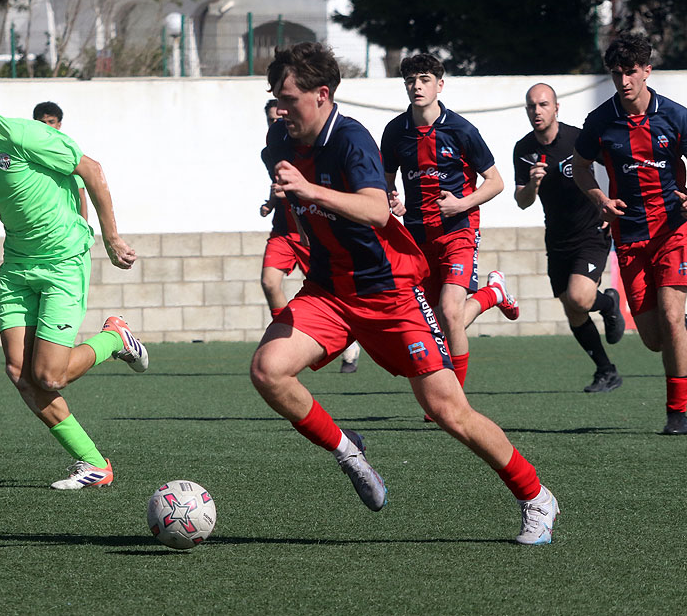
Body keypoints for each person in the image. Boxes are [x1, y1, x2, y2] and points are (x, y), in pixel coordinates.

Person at [249, 42, 559, 545]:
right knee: (267, 370)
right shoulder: (278, 142)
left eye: (289, 98)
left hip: (388, 291)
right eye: (276, 99)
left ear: (322, 95)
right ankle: (349, 451)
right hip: (328, 291)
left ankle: (535, 496)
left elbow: (375, 210)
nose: (280, 109)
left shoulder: (351, 139)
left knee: (448, 412)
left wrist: (310, 191)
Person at [0, 56, 148, 488]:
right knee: (18, 373)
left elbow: (91, 169)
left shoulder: (24, 134)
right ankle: (96, 466)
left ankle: (113, 338)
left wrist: (111, 238)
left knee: (50, 375)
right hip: (17, 268)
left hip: (64, 260)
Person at [572, 33, 687, 436]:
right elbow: (581, 168)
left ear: (647, 71)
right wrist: (600, 197)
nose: (624, 81)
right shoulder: (601, 121)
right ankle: (684, 332)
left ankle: (677, 413)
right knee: (654, 339)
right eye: (617, 73)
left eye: (631, 72)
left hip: (672, 229)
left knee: (669, 317)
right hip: (630, 235)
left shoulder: (676, 116)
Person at [380, 53, 520, 403]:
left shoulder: (461, 130)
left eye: (424, 79)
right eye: (411, 80)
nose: (417, 86)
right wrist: (392, 201)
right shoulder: (395, 131)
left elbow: (496, 182)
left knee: (450, 310)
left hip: (458, 230)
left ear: (439, 85)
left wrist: (461, 203)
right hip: (416, 237)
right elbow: (384, 184)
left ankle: (453, 404)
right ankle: (493, 295)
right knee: (435, 325)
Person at [513, 83, 625, 392]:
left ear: (556, 108)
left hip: (591, 232)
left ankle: (608, 304)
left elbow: (616, 167)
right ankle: (606, 370)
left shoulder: (577, 139)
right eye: (532, 106)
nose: (537, 111)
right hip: (557, 240)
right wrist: (533, 185)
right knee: (573, 310)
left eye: (543, 104)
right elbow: (522, 201)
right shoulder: (524, 150)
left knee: (580, 298)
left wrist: (609, 204)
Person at [258, 98, 361, 373]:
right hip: (283, 229)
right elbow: (282, 186)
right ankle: (286, 337)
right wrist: (270, 203)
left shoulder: (322, 143)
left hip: (314, 229)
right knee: (269, 282)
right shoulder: (271, 151)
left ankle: (347, 341)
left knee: (326, 290)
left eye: (279, 116)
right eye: (271, 119)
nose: (276, 122)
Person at [33, 101, 89, 222]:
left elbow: (80, 195)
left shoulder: (67, 151)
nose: (46, 126)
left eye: (51, 122)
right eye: (42, 122)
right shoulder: (25, 150)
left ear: (59, 125)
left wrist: (85, 226)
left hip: (64, 225)